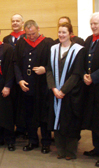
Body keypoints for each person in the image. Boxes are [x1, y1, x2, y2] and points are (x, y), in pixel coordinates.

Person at [14, 20, 54, 153]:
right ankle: (32, 141)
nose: (31, 37)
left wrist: (45, 68)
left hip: (42, 86)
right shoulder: (21, 43)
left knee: (44, 116)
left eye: (33, 33)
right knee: (29, 115)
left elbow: (55, 63)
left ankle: (46, 142)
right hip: (26, 86)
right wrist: (19, 80)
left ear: (38, 29)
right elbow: (15, 64)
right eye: (28, 34)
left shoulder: (48, 43)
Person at [47, 22, 85, 160]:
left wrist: (63, 91)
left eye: (64, 32)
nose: (61, 35)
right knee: (57, 120)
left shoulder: (78, 50)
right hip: (55, 92)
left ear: (70, 33)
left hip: (71, 94)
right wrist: (53, 88)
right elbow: (49, 70)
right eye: (59, 32)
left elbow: (76, 74)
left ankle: (70, 152)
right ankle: (61, 150)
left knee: (70, 122)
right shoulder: (53, 49)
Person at [3, 14, 27, 140]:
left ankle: (24, 128)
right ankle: (13, 128)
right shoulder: (6, 38)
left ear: (22, 23)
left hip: (22, 74)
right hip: (9, 74)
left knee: (23, 103)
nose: (15, 23)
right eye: (13, 21)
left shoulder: (27, 36)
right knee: (12, 103)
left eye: (18, 21)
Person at [82, 12, 99, 167]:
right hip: (91, 87)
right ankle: (97, 148)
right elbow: (82, 60)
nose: (94, 26)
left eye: (96, 23)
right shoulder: (89, 39)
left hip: (97, 83)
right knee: (95, 119)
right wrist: (84, 75)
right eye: (92, 23)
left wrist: (93, 76)